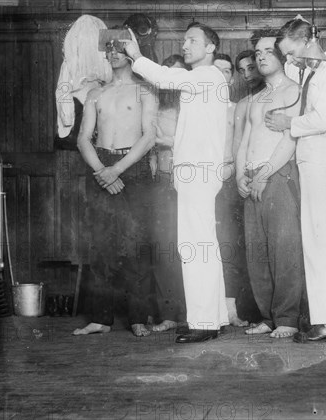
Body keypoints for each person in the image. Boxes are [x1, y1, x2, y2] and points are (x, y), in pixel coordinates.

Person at [122, 22, 229, 343]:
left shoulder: (207, 77)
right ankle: (215, 317)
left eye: (193, 40)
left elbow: (167, 77)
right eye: (183, 40)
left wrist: (136, 56)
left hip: (197, 171)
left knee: (195, 246)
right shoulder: (203, 80)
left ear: (211, 48)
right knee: (204, 245)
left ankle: (204, 322)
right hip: (196, 171)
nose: (185, 45)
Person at [266, 18, 326, 343]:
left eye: (291, 53)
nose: (288, 61)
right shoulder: (311, 69)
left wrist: (288, 122)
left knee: (323, 240)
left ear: (307, 42)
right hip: (309, 159)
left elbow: (325, 118)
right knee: (316, 240)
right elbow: (291, 71)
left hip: (321, 158)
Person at [73, 35, 159, 337]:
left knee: (136, 245)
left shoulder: (145, 89)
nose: (113, 53)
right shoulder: (96, 93)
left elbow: (149, 136)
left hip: (132, 167)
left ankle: (138, 317)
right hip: (101, 166)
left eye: (119, 47)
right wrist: (102, 171)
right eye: (108, 48)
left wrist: (118, 169)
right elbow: (83, 138)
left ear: (132, 52)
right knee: (101, 244)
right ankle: (100, 318)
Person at [236, 30, 304, 339]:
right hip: (251, 178)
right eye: (257, 52)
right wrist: (241, 175)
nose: (260, 56)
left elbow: (289, 141)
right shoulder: (256, 98)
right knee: (257, 253)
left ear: (282, 55)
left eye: (267, 50)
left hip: (277, 176)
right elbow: (245, 141)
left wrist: (263, 174)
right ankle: (268, 316)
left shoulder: (293, 91)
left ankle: (287, 319)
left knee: (283, 250)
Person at [212, 53, 257, 327]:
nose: (221, 76)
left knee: (231, 244)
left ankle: (232, 309)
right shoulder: (194, 107)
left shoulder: (236, 108)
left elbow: (242, 144)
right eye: (216, 71)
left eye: (227, 72)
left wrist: (229, 170)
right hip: (200, 181)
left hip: (229, 179)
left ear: (231, 78)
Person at [148, 55, 190, 333]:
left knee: (191, 249)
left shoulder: (194, 106)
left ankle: (194, 312)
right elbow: (149, 146)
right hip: (163, 182)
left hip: (192, 181)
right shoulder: (156, 109)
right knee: (164, 249)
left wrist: (164, 140)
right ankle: (169, 313)